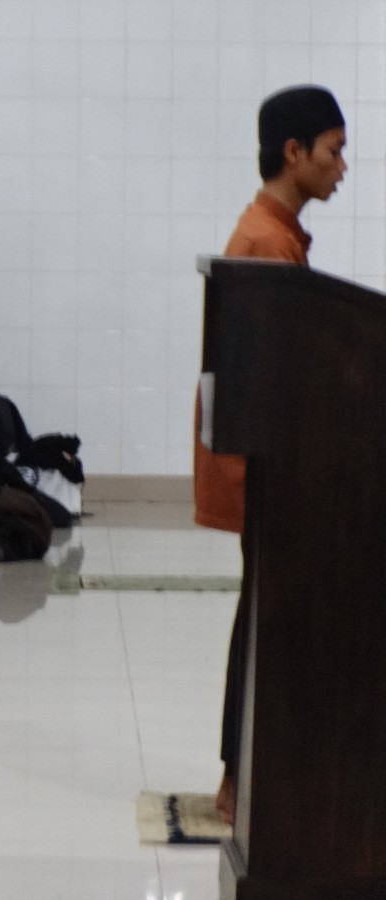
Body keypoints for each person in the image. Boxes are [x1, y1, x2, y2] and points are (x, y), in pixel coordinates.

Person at [197, 84, 347, 825]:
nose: (343, 167)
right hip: (268, 468)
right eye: (334, 151)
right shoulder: (264, 242)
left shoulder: (275, 233)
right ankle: (238, 782)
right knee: (265, 621)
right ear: (294, 152)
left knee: (266, 617)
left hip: (274, 464)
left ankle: (254, 777)